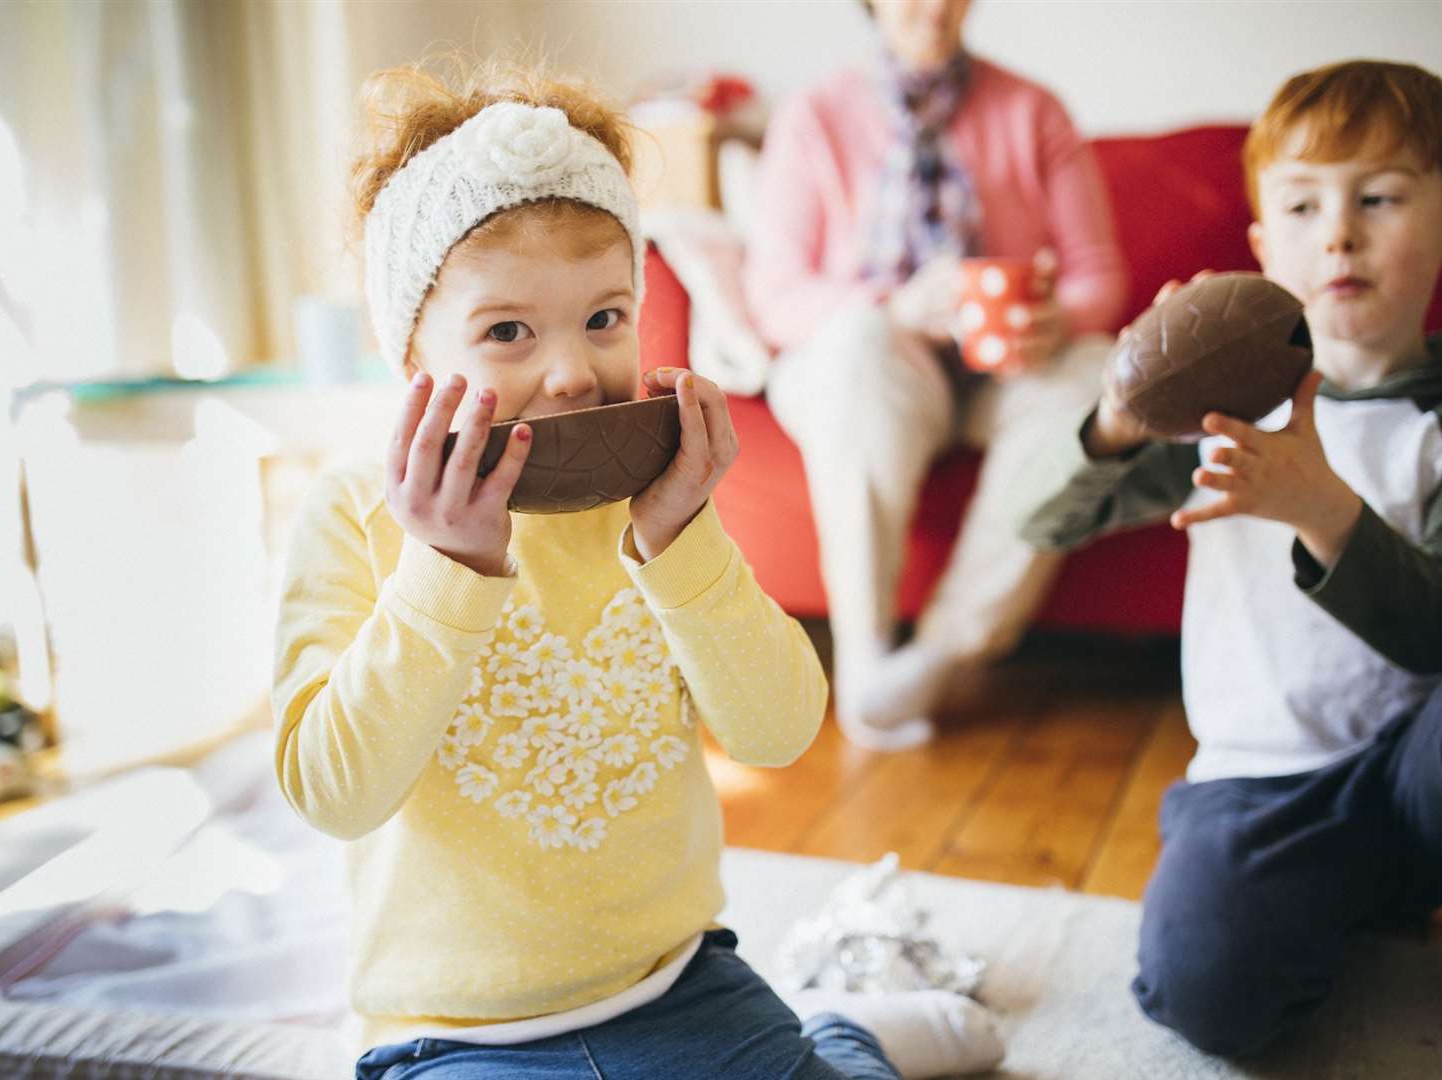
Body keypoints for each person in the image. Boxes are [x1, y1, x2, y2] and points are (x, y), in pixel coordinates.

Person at [272, 60, 1005, 1080]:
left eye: (604, 318)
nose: (572, 371)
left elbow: (780, 731)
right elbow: (332, 792)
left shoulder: (651, 503)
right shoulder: (354, 514)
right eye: (508, 332)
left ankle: (846, 1037)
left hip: (678, 984)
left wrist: (681, 538)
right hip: (455, 1033)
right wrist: (445, 569)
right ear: (411, 356)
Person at [1017, 59, 1442, 1056]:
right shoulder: (1226, 410)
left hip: (1419, 768)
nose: (1339, 231)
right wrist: (1119, 418)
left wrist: (1323, 509)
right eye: (1303, 205)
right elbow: (1040, 522)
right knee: (1204, 997)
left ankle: (1375, 885)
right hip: (1264, 786)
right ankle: (1338, 904)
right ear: (1262, 245)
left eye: (1378, 197)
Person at [743, 0, 1127, 749]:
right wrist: (893, 306)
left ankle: (942, 653)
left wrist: (1057, 318)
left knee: (1097, 372)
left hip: (1001, 372)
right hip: (869, 368)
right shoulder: (813, 117)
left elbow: (1098, 275)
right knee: (857, 344)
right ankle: (863, 658)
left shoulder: (1034, 110)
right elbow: (776, 296)